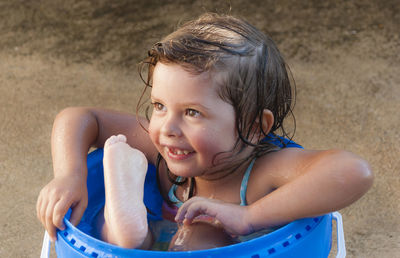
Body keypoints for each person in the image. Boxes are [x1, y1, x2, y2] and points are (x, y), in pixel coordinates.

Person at [36, 13, 373, 251]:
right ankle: (125, 228)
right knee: (131, 239)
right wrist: (71, 174)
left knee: (198, 239)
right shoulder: (165, 154)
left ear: (254, 126)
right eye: (159, 106)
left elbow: (354, 172)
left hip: (222, 244)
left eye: (192, 113)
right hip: (151, 238)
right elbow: (80, 117)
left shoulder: (261, 174)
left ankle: (131, 235)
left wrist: (249, 216)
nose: (167, 128)